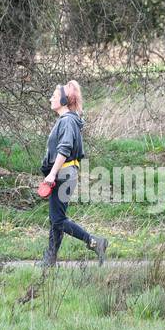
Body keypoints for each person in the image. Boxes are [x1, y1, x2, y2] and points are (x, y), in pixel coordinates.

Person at [40, 80, 107, 266]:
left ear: (64, 99)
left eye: (54, 96)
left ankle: (95, 242)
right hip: (65, 173)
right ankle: (50, 259)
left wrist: (52, 174)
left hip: (63, 173)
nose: (51, 98)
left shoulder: (68, 120)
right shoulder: (66, 120)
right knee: (56, 219)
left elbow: (65, 148)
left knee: (58, 219)